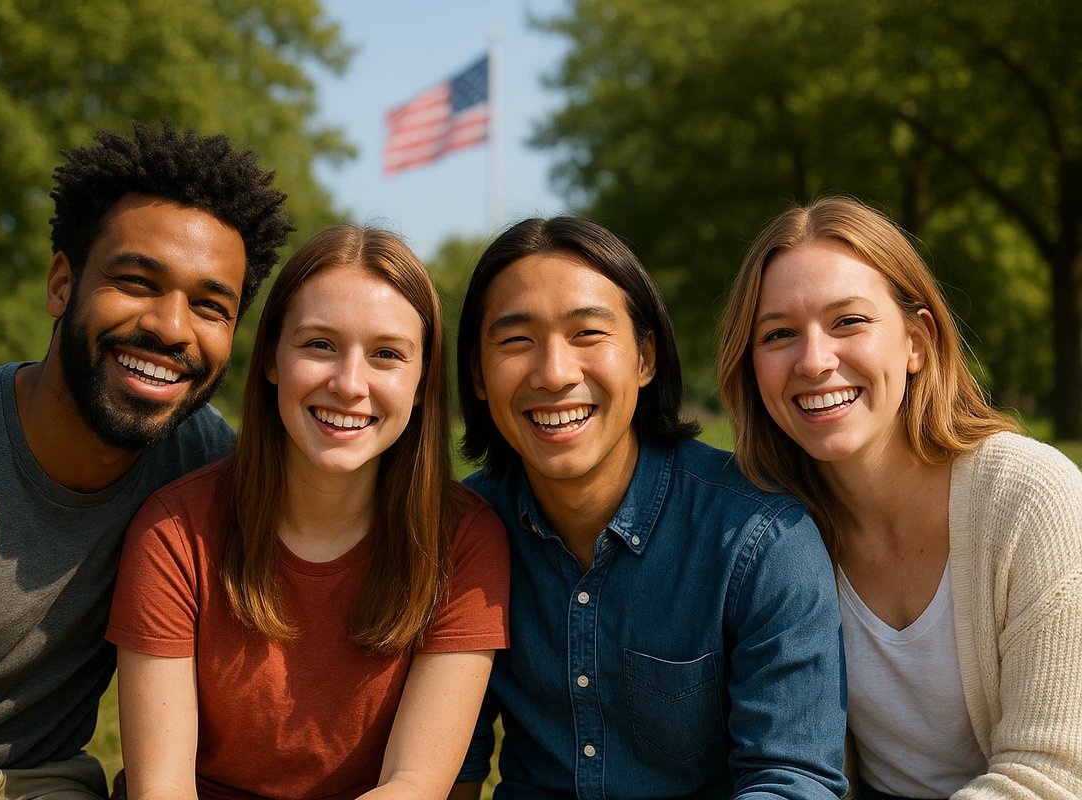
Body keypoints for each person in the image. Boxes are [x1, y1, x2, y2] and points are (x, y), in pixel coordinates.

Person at [0, 120, 292, 800]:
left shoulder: (202, 461)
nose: (170, 327)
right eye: (136, 281)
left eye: (210, 306)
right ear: (61, 283)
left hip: (50, 785)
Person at [449, 216, 848, 800]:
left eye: (587, 334)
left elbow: (792, 780)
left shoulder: (760, 538)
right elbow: (451, 772)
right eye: (515, 340)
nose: (555, 372)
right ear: (479, 376)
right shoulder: (463, 534)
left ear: (644, 358)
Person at [106, 225, 510, 800]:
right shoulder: (173, 532)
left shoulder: (464, 540)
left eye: (386, 355)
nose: (349, 384)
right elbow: (162, 789)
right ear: (271, 357)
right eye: (319, 344)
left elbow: (414, 784)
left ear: (421, 383)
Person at [717, 196, 1082, 799]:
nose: (814, 360)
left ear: (917, 342)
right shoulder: (766, 536)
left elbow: (1055, 777)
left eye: (848, 322)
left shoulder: (1029, 499)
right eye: (779, 334)